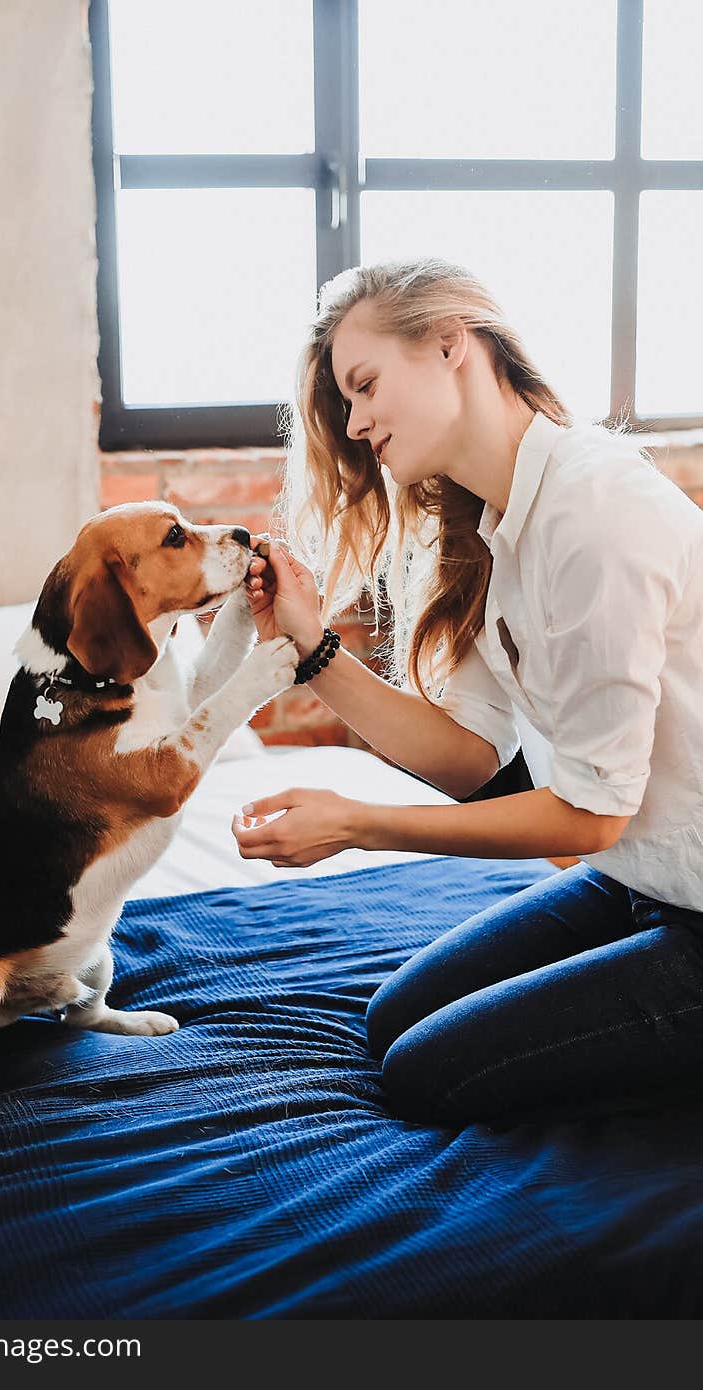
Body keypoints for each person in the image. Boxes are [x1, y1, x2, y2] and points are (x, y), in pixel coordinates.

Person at [232, 257, 703, 1128]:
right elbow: (472, 761)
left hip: (687, 899)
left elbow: (589, 816)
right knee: (389, 1020)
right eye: (346, 404)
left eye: (365, 386)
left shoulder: (593, 512)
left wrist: (358, 824)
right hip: (636, 881)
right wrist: (310, 644)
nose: (360, 422)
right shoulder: (496, 523)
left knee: (430, 1073)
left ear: (451, 343)